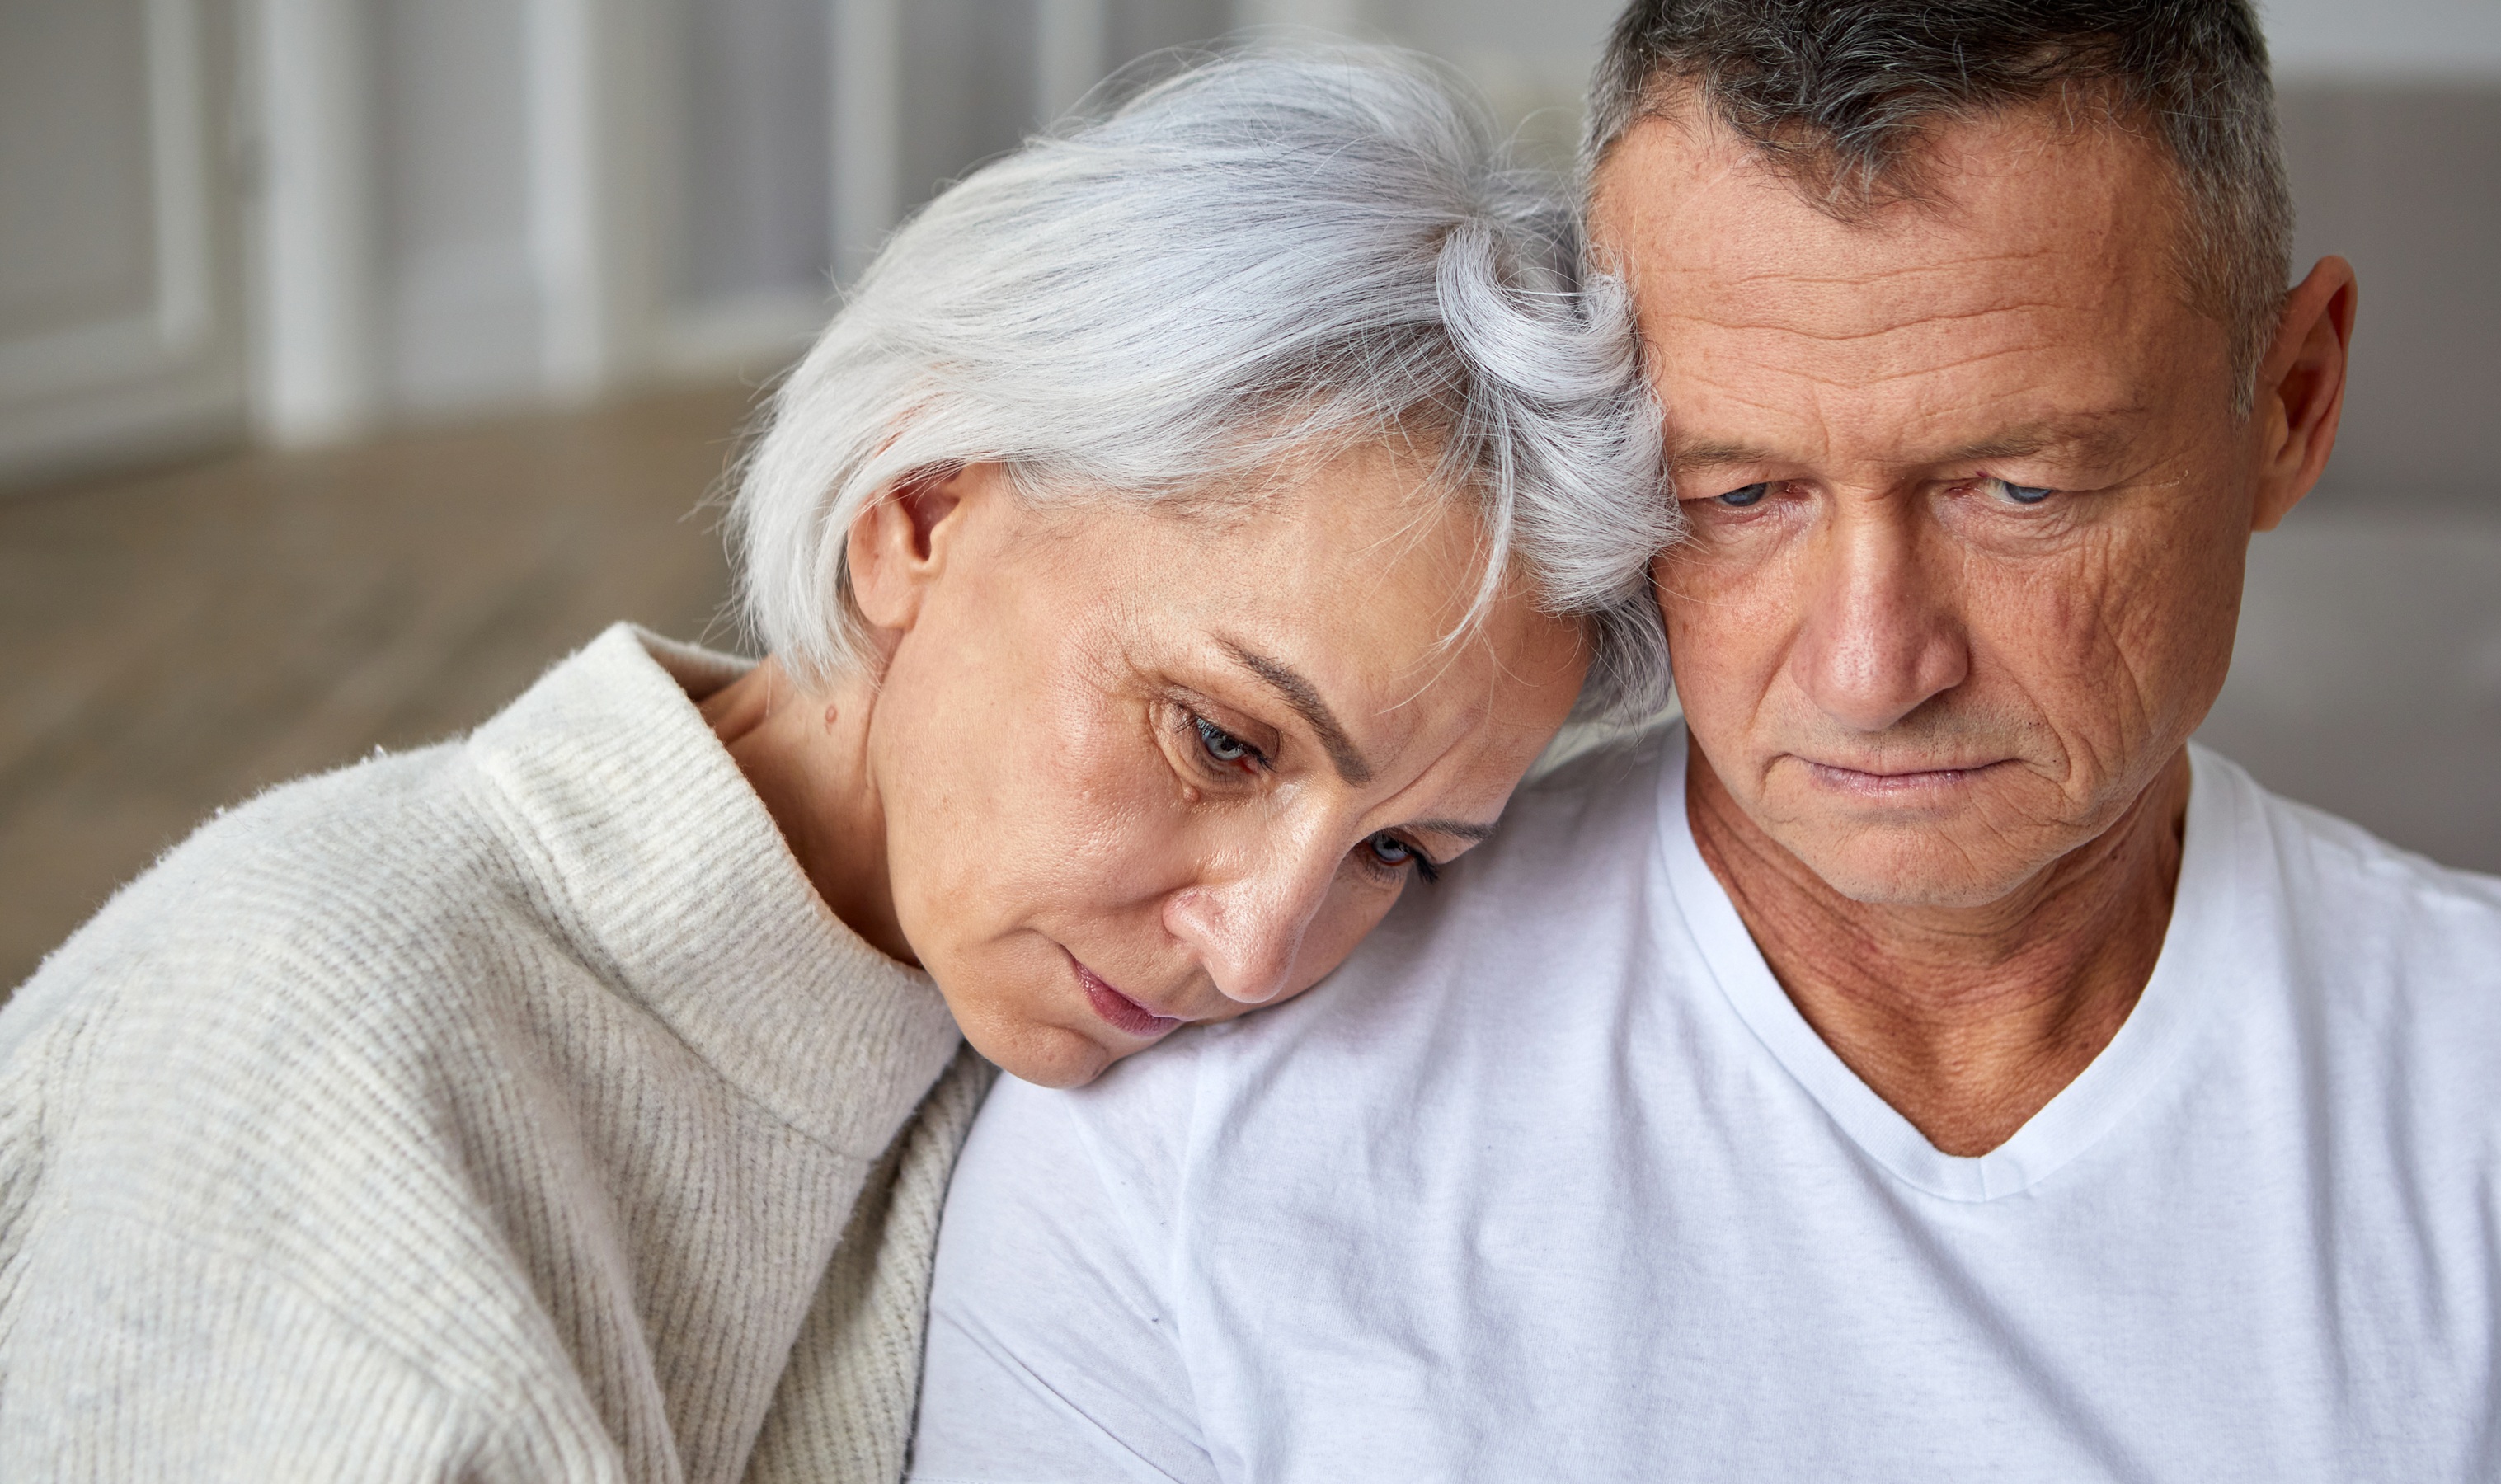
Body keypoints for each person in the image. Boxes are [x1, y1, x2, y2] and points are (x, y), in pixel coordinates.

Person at [911, 3, 2501, 1480]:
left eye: (2018, 488)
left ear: (2289, 405)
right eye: (1735, 495)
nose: (1873, 665)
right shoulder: (1178, 1144)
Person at [0, 51, 1675, 1481]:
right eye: (1218, 737)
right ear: (919, 510)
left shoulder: (1043, 1056)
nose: (1256, 948)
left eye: (1402, 852)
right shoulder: (325, 1027)